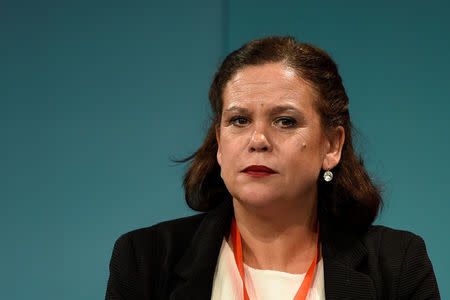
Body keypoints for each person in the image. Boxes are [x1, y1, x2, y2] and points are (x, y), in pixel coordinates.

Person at [105, 36, 440, 300]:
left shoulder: (397, 264)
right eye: (239, 120)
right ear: (219, 143)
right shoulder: (145, 260)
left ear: (332, 146)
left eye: (285, 120)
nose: (258, 139)